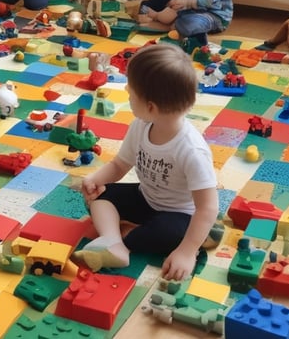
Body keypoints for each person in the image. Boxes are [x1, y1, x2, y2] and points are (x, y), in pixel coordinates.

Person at [73, 43, 219, 280]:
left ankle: (127, 239)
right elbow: (120, 165)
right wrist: (95, 179)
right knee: (99, 196)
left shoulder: (191, 150)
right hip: (146, 197)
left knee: (168, 235)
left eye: (131, 95)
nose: (128, 96)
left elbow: (208, 207)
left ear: (150, 107)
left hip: (178, 213)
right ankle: (113, 240)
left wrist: (187, 251)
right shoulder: (141, 126)